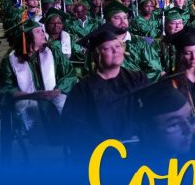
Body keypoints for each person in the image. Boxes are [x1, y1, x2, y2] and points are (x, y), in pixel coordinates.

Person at [63, 24, 150, 157]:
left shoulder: (137, 79)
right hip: (101, 153)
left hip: (137, 149)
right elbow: (73, 126)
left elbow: (151, 110)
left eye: (117, 46)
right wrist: (104, 145)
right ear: (97, 55)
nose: (115, 51)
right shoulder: (84, 88)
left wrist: (140, 135)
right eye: (107, 48)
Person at [0, 20, 76, 156]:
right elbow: (3, 88)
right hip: (27, 101)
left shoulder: (53, 52)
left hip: (53, 96)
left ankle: (67, 139)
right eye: (38, 31)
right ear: (27, 37)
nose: (43, 33)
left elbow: (70, 73)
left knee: (64, 102)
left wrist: (58, 90)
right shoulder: (10, 60)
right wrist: (29, 95)